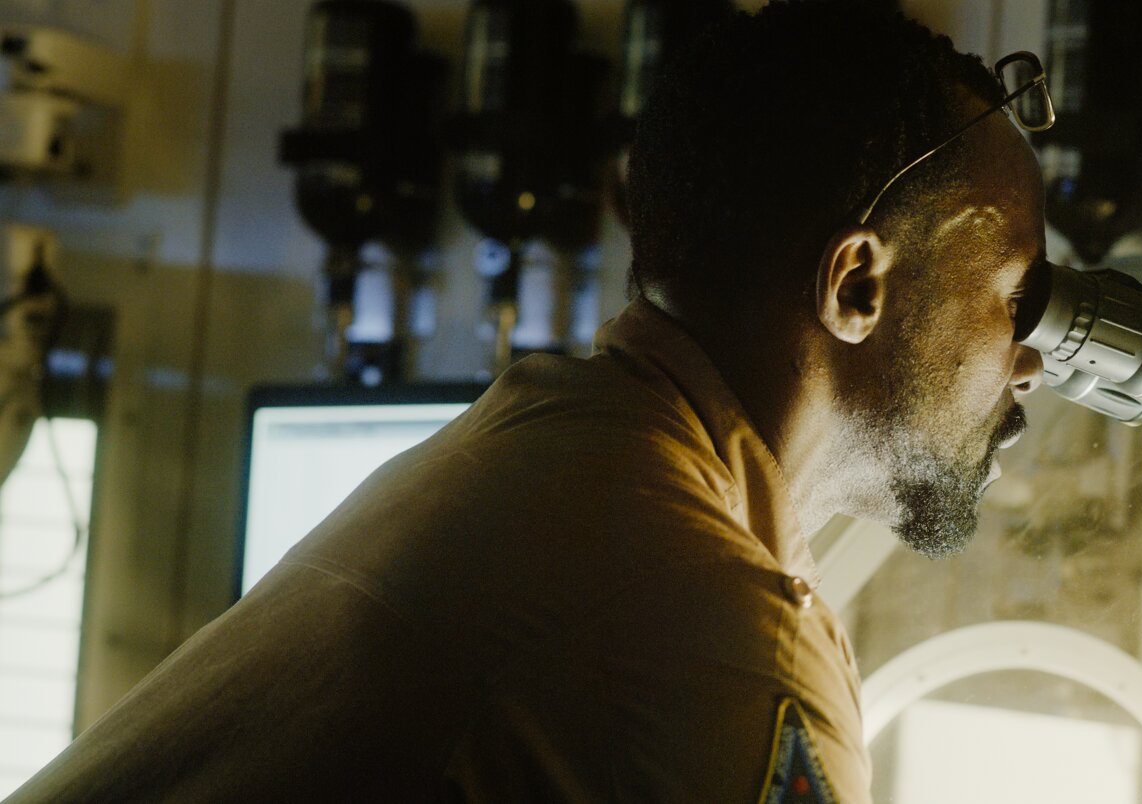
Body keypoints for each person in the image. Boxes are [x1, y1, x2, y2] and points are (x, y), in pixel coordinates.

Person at [8, 2, 1047, 802]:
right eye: (1015, 297)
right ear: (856, 284)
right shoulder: (719, 651)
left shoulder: (539, 444)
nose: (1032, 361)